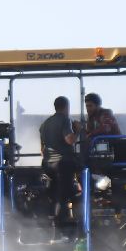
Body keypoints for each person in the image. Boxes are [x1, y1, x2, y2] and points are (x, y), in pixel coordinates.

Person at [39, 96, 80, 225]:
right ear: (66, 107)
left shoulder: (44, 124)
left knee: (54, 194)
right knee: (63, 195)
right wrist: (77, 130)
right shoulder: (65, 120)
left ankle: (51, 220)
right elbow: (69, 140)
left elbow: (42, 149)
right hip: (63, 164)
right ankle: (62, 225)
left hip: (47, 164)